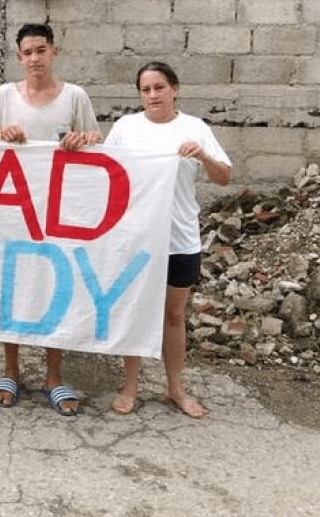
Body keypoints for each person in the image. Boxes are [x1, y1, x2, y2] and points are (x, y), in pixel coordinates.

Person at [0, 22, 102, 416]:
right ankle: (11, 369)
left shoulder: (75, 97)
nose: (34, 58)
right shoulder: (3, 95)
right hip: (12, 208)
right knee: (12, 285)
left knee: (55, 287)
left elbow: (97, 143)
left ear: (54, 52)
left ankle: (53, 375)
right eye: (27, 52)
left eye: (41, 50)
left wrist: (81, 141)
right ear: (18, 57)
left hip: (59, 209)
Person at [106, 61, 231, 419]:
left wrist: (204, 155)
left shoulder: (195, 128)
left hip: (180, 237)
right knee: (134, 312)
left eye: (159, 88)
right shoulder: (126, 127)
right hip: (138, 238)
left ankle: (175, 388)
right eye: (145, 90)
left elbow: (224, 177)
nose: (152, 96)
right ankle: (129, 385)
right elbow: (105, 170)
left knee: (174, 314)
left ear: (174, 89)